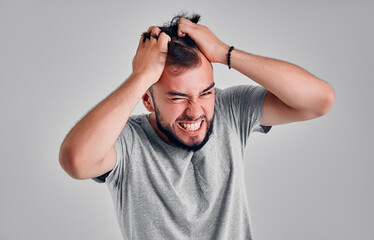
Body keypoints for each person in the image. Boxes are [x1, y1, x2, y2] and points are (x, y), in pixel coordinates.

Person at [59, 13, 334, 240]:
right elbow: (76, 161)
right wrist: (141, 76)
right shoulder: (128, 141)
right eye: (178, 97)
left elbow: (318, 101)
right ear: (147, 99)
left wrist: (226, 53)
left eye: (205, 93)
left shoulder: (229, 110)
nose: (195, 112)